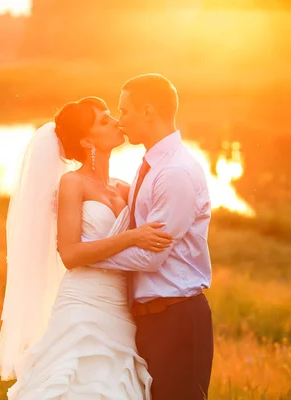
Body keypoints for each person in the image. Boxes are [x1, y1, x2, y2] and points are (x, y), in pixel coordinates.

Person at [0, 95, 173, 399]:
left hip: (119, 309)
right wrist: (131, 237)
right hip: (82, 306)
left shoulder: (125, 187)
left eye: (110, 115)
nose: (116, 121)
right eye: (104, 120)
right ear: (87, 140)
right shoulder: (72, 183)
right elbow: (71, 254)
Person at [86, 73, 214, 400]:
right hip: (151, 321)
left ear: (147, 112)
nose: (119, 120)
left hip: (176, 320)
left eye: (124, 111)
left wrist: (84, 256)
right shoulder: (152, 166)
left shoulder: (174, 172)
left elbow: (150, 256)